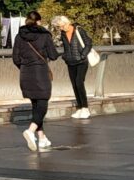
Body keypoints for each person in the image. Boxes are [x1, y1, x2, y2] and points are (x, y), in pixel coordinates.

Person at [12, 10, 59, 151]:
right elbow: (53, 55)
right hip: (40, 73)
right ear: (38, 21)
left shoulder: (19, 36)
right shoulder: (44, 35)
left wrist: (25, 66)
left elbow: (15, 58)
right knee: (43, 104)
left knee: (35, 106)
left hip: (25, 74)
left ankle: (42, 138)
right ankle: (30, 131)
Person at [54, 14, 93, 119]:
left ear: (67, 23)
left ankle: (85, 108)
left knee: (79, 82)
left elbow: (89, 43)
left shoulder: (79, 30)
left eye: (61, 26)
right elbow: (66, 47)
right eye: (59, 27)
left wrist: (83, 55)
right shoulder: (63, 33)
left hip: (81, 61)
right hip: (70, 62)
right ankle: (80, 108)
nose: (61, 28)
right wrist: (65, 57)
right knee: (74, 85)